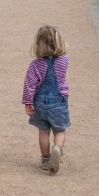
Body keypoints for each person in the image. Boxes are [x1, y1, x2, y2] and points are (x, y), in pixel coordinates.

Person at [22, 25, 71, 174]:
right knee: (59, 130)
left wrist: (28, 102)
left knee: (43, 131)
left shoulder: (35, 65)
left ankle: (45, 159)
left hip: (40, 102)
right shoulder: (63, 61)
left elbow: (29, 85)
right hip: (59, 101)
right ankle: (57, 148)